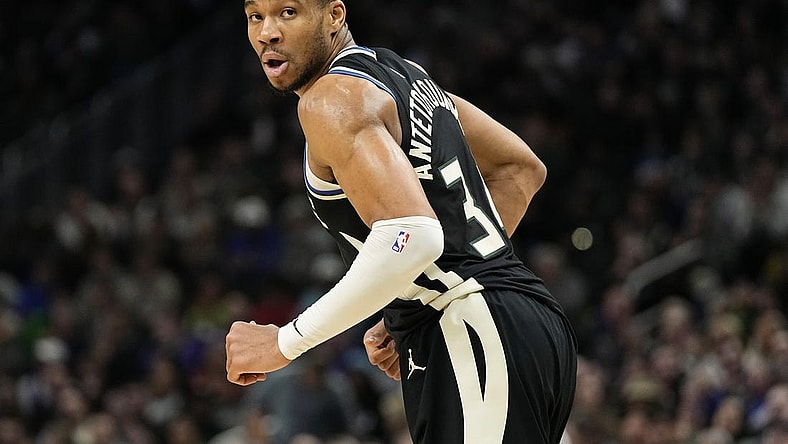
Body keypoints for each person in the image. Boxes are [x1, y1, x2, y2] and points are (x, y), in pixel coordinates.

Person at [225, 1, 577, 443]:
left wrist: (285, 343)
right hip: (522, 322)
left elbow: (412, 235)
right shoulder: (407, 76)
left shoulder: (330, 98)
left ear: (334, 16)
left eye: (288, 12)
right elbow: (520, 169)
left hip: (473, 330)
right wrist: (417, 298)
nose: (267, 33)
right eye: (255, 16)